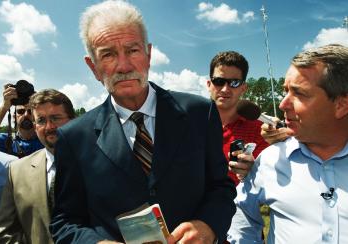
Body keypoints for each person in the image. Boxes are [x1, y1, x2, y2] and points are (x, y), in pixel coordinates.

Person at [49, 1, 235, 243]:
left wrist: (208, 225)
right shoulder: (74, 138)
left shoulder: (200, 113)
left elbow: (221, 187)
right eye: (108, 54)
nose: (124, 65)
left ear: (148, 55)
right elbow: (65, 221)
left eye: (133, 50)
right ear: (93, 66)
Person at [227, 44, 348, 243]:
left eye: (299, 94)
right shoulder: (270, 159)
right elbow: (242, 213)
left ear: (341, 105)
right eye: (285, 91)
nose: (283, 104)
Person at [0, 89, 76, 244]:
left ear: (72, 120)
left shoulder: (97, 160)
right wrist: (5, 106)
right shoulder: (14, 169)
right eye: (40, 120)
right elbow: (6, 231)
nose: (49, 126)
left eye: (55, 118)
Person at [206, 51, 269, 185]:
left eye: (234, 83)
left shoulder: (261, 130)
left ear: (244, 88)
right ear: (208, 85)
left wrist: (254, 171)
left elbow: (269, 178)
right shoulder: (190, 124)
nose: (225, 89)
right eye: (218, 81)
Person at [0, 83, 43, 157]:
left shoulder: (46, 140)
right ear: (14, 117)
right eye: (20, 111)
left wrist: (42, 105)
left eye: (30, 111)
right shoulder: (5, 141)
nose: (25, 115)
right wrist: (4, 107)